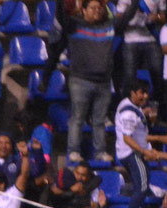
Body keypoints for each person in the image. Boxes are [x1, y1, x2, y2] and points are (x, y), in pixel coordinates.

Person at [59, 0, 141, 162]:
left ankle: (100, 152)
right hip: (80, 81)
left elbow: (127, 16)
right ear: (84, 10)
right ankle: (74, 151)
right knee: (77, 118)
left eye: (99, 8)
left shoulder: (109, 26)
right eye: (92, 8)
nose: (97, 10)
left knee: (99, 120)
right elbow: (61, 16)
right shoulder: (74, 25)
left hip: (103, 83)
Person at [115, 79, 160, 208]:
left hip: (131, 153)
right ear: (132, 93)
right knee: (142, 187)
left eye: (147, 93)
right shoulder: (129, 113)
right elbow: (127, 138)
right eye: (142, 93)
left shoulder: (130, 105)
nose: (145, 96)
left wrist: (142, 114)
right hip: (133, 153)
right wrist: (144, 151)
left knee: (141, 186)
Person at [117, 0, 166, 97]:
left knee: (157, 73)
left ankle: (158, 102)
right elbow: (118, 17)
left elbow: (163, 17)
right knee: (129, 75)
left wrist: (157, 17)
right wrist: (129, 15)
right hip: (130, 39)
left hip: (151, 38)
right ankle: (127, 101)